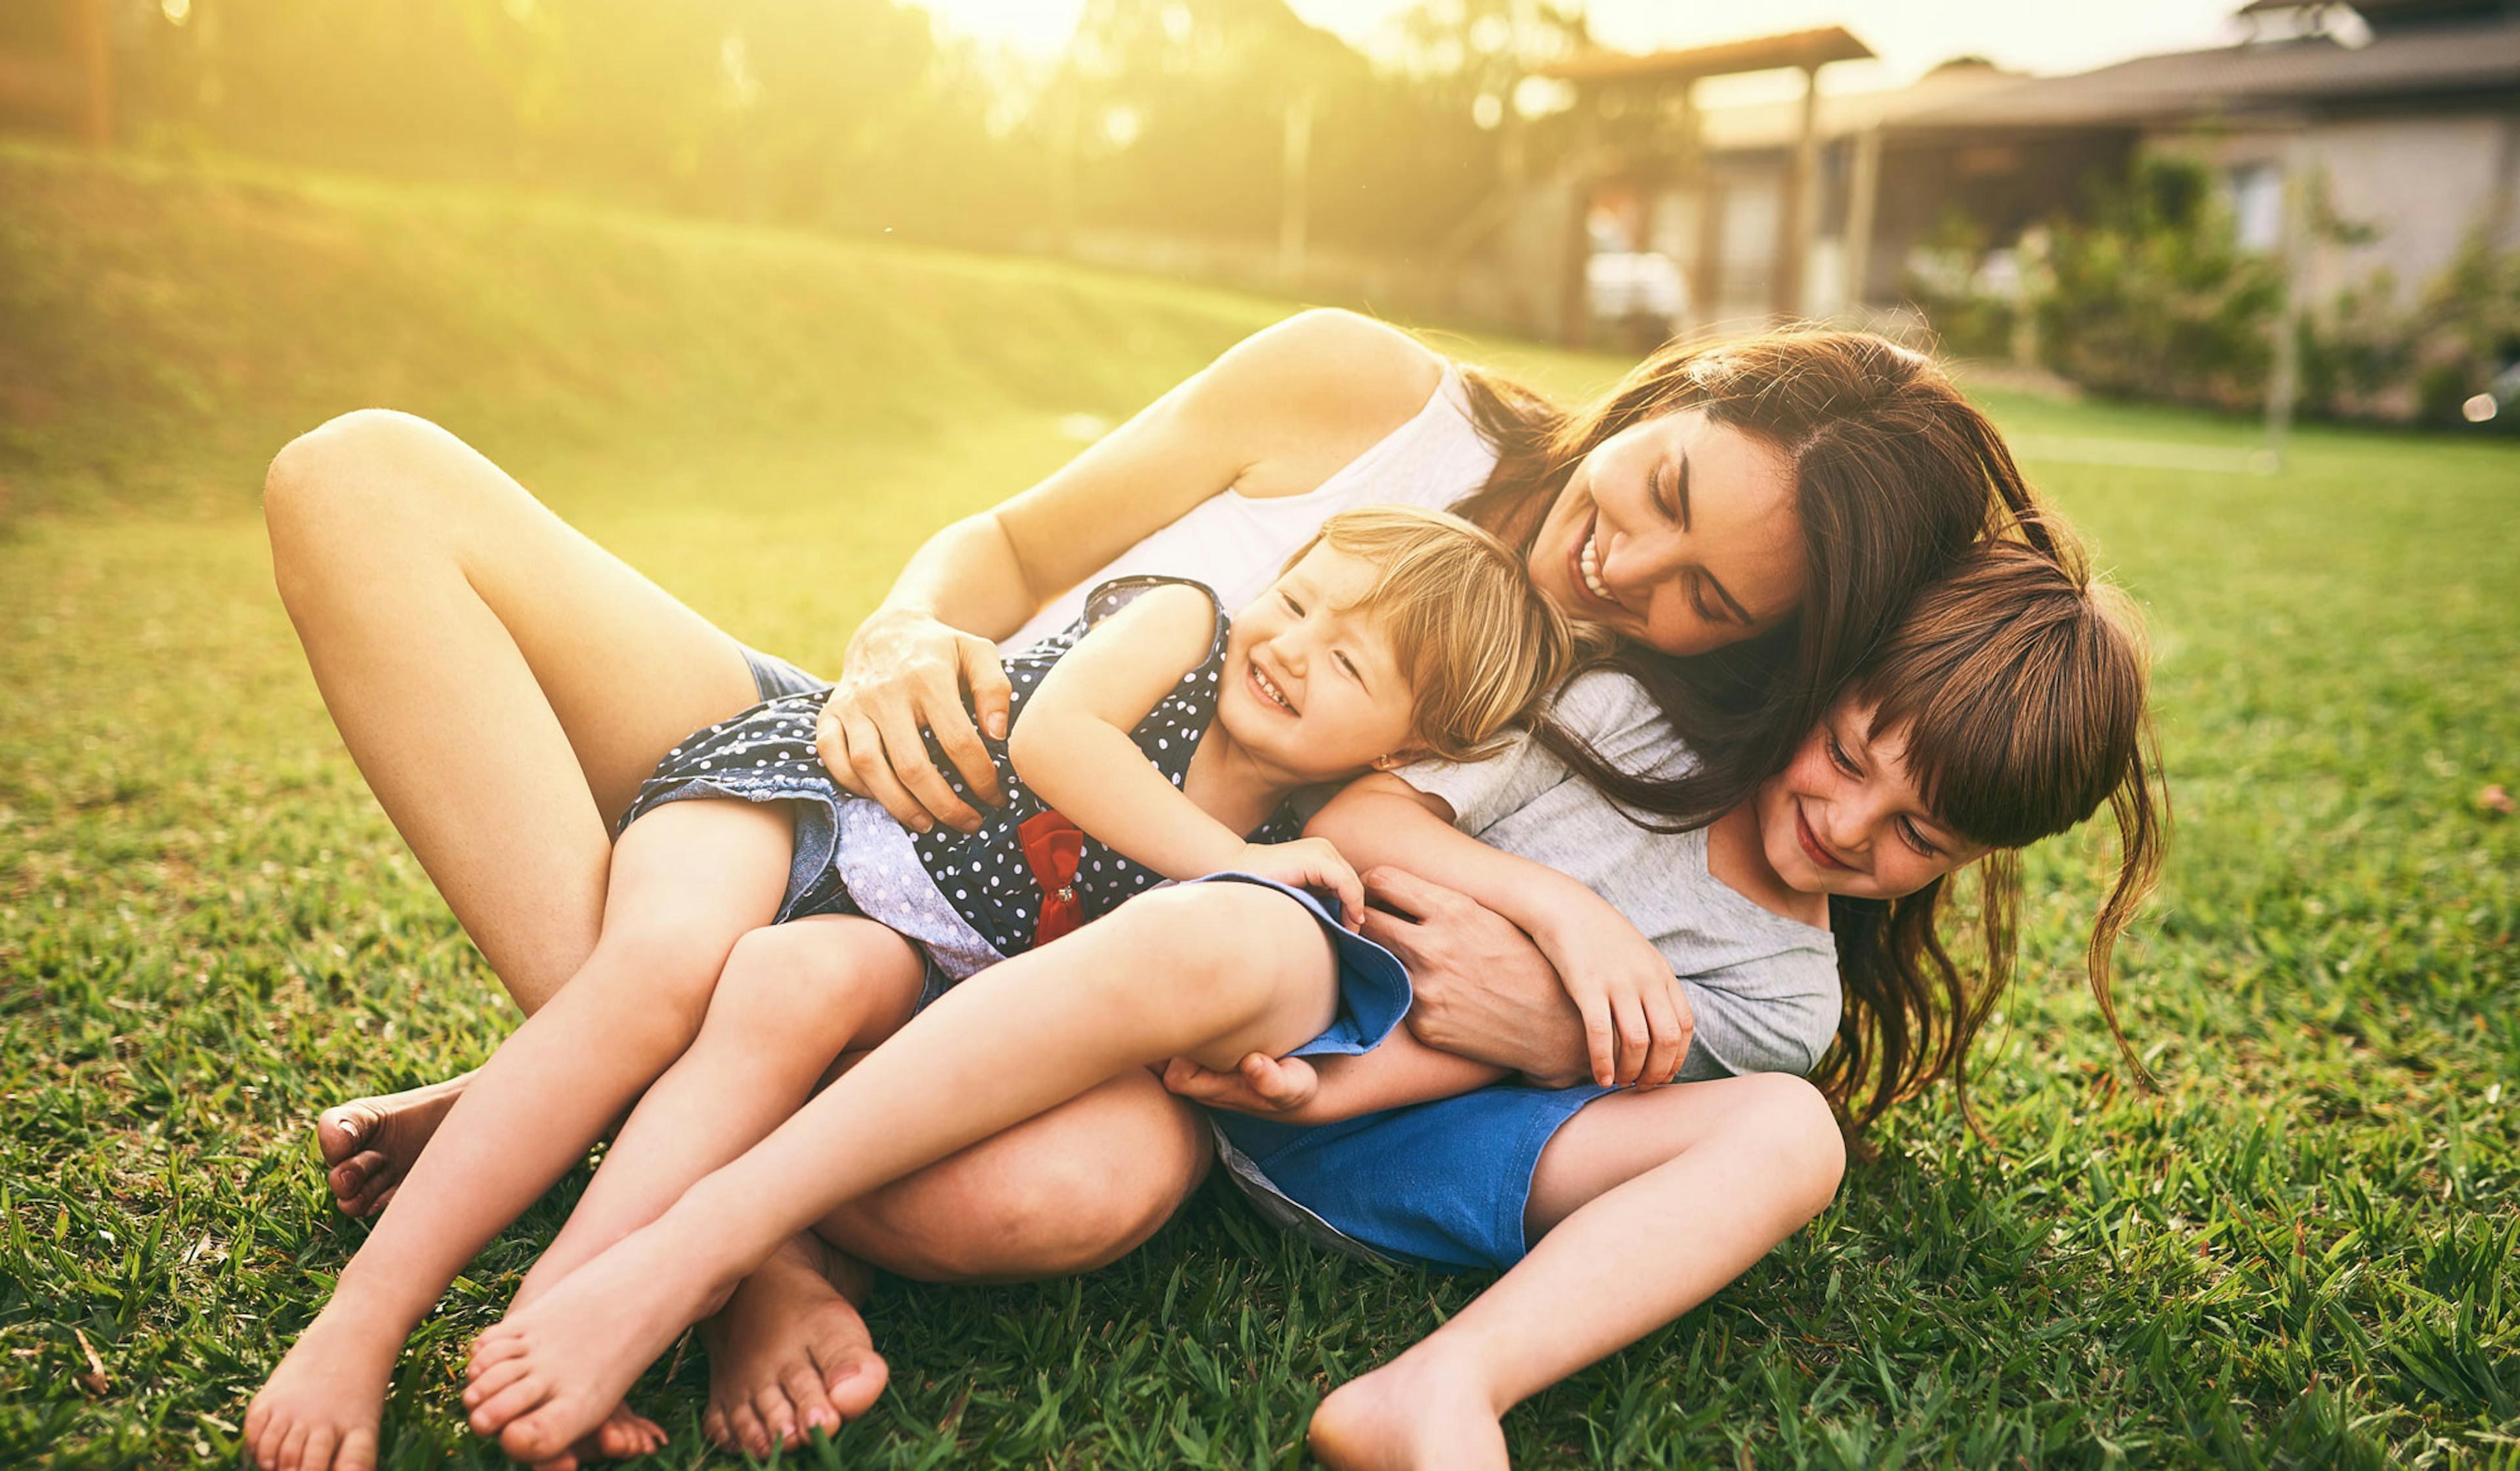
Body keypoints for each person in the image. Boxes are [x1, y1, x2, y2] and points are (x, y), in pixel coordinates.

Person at [251, 312, 2048, 1471]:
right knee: (364, 481)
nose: (1623, 562)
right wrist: (901, 634)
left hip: (1092, 985)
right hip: (906, 793)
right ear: (1670, 389)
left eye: (1707, 598)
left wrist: (1533, 1005)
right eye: (1655, 488)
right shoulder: (1365, 405)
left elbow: (1520, 926)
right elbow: (1017, 552)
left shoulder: (1616, 704)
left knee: (1035, 1203)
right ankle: (702, 1183)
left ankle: (616, 1104)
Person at [450, 529, 2164, 1466]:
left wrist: (1333, 1084)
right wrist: (1543, 901)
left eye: (1912, 832)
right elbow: (1364, 808)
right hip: (1213, 987)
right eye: (1854, 755)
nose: (1845, 820)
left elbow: (1500, 1053)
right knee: (1258, 909)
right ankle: (695, 1232)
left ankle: (1444, 1392)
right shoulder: (1638, 725)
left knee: (1791, 1131)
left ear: (1963, 859)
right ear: (1830, 688)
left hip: (1356, 1122)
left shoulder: (1779, 989)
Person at [247, 506, 1578, 1464]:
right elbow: (1059, 742)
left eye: (1350, 659)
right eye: (1302, 600)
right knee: (652, 979)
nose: (1291, 645)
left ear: (1414, 740)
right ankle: (360, 1326)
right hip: (810, 808)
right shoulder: (1185, 626)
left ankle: (570, 1309)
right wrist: (1238, 857)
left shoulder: (1311, 816)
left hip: (902, 952)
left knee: (788, 986)